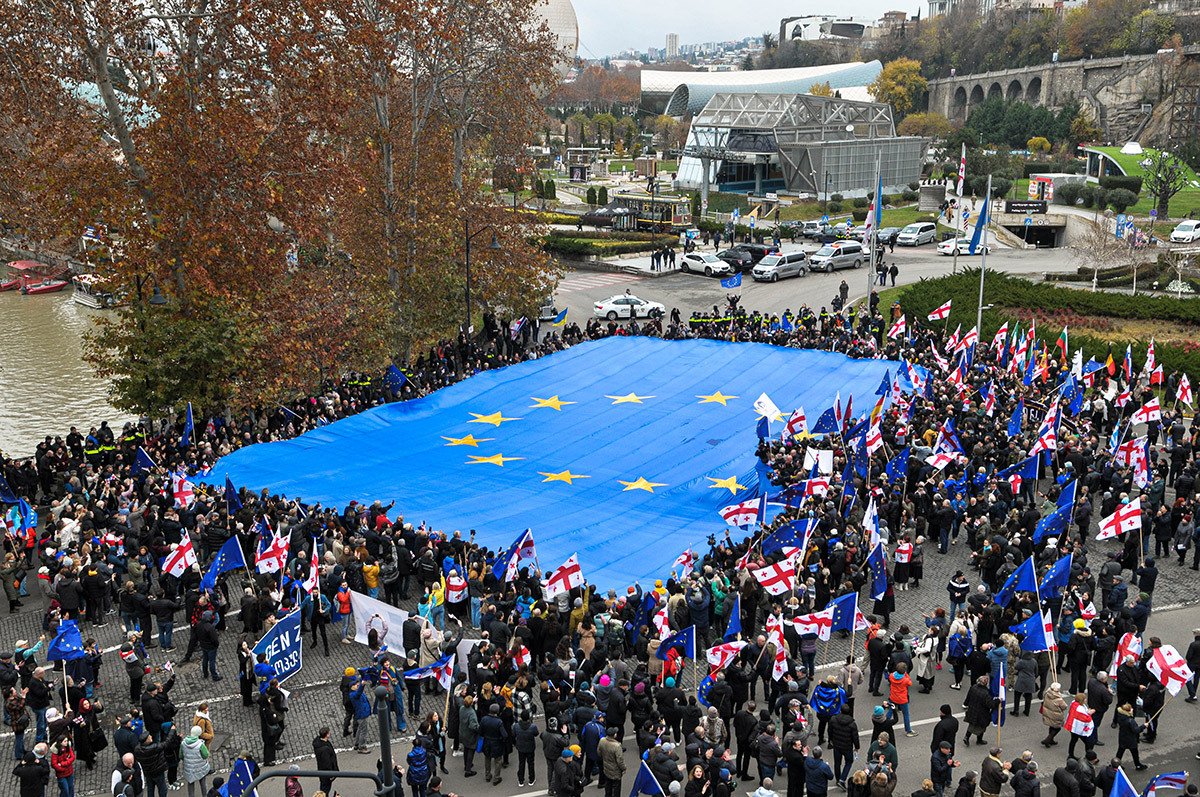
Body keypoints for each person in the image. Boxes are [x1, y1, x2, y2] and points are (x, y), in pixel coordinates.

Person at [479, 703, 508, 785]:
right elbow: (505, 735)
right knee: (498, 761)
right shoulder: (499, 722)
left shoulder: (484, 719)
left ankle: (487, 775)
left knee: (487, 759)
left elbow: (480, 731)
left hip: (487, 742)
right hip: (496, 743)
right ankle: (496, 778)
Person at [1113, 704, 1146, 770]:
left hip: (1122, 737)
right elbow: (1136, 730)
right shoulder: (1130, 721)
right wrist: (1143, 726)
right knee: (1135, 753)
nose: (1132, 709)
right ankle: (1138, 765)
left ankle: (1116, 765)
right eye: (1131, 709)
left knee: (1120, 752)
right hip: (1131, 739)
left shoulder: (1120, 717)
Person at [180, 726, 211, 797]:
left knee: (190, 783)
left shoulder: (183, 743)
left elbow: (181, 756)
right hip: (200, 768)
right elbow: (205, 755)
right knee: (203, 783)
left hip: (189, 769)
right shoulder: (200, 745)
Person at [598, 729, 624, 797]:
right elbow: (620, 761)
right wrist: (624, 768)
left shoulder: (602, 741)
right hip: (615, 770)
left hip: (606, 767)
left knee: (608, 785)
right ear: (614, 735)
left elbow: (599, 752)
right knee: (616, 788)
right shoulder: (617, 746)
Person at [312, 728, 339, 795]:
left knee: (324, 787)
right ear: (326, 735)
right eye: (329, 733)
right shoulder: (325, 750)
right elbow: (327, 763)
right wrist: (331, 774)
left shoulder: (318, 743)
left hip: (322, 771)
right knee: (325, 789)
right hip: (326, 774)